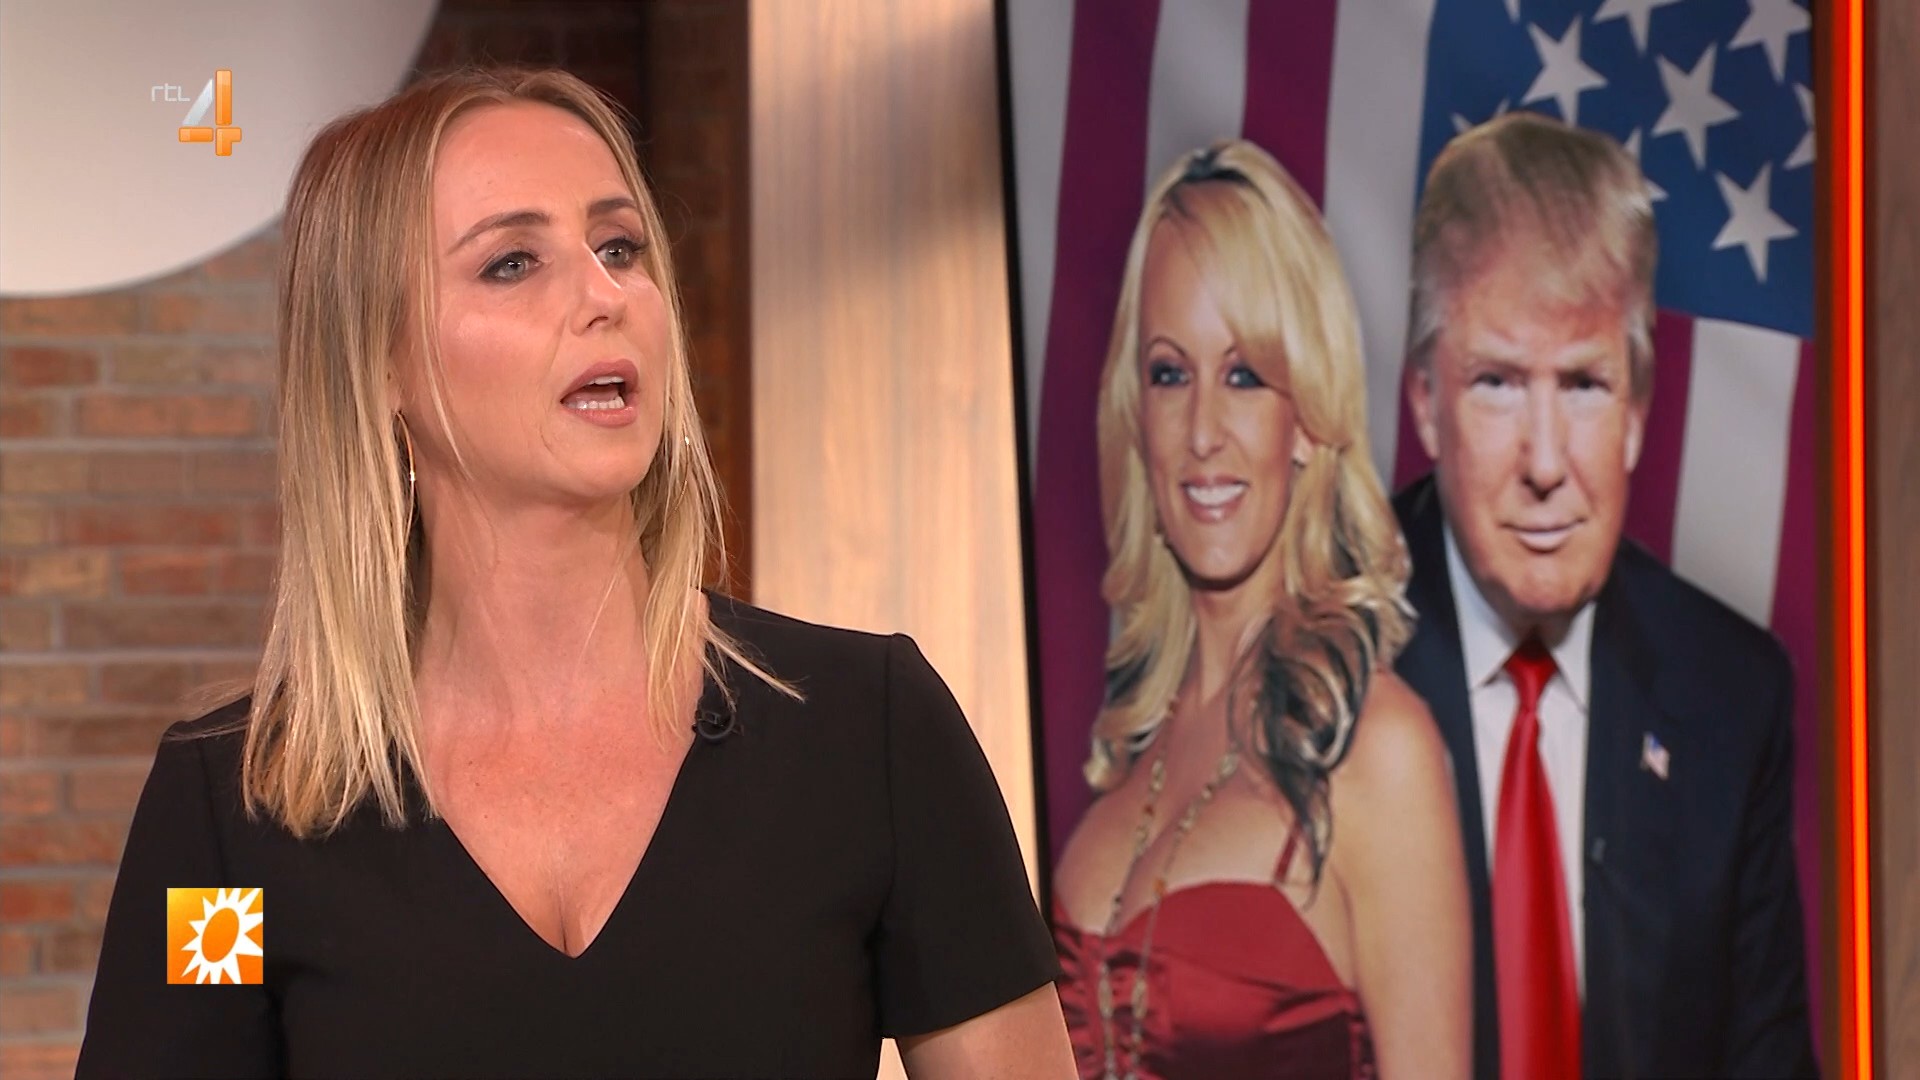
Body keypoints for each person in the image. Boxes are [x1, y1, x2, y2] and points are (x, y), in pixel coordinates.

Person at [76, 67, 1073, 1079]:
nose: (605, 297)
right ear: (376, 360)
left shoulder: (871, 733)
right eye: (512, 263)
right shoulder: (232, 815)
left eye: (619, 247)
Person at [1393, 111, 1818, 1079]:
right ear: (1425, 401)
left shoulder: (1731, 698)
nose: (1546, 464)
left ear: (1636, 410)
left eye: (1584, 385)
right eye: (1498, 383)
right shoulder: (1318, 657)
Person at [1050, 140, 1471, 1080]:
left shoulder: (1380, 752)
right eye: (1170, 374)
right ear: (1136, 415)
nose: (1203, 431)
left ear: (1308, 419)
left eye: (1244, 375)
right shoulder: (1133, 751)